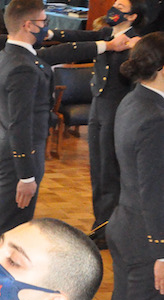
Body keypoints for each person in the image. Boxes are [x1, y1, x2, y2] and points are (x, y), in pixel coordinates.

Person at [0, 0, 127, 249]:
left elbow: (57, 53)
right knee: (11, 225)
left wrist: (106, 45)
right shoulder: (22, 67)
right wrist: (27, 175)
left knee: (2, 219)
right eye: (43, 22)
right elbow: (20, 124)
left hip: (9, 150)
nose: (47, 28)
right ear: (28, 25)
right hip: (19, 156)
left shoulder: (13, 54)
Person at [98, 32, 164, 300]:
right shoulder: (156, 117)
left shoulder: (133, 100)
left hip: (125, 224)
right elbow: (155, 190)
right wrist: (162, 251)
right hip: (148, 236)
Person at [49, 0, 146, 249]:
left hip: (117, 110)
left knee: (110, 170)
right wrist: (51, 33)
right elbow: (81, 35)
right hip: (98, 106)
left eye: (121, 5)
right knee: (97, 169)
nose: (114, 7)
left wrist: (135, 50)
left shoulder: (140, 41)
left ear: (132, 16)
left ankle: (109, 228)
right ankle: (100, 223)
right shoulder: (106, 33)